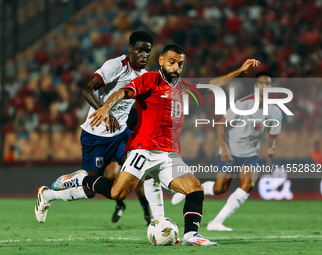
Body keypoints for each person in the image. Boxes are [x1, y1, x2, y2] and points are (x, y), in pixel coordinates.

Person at [80, 44, 260, 245]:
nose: (176, 67)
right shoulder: (149, 80)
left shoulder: (184, 87)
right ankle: (84, 180)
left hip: (169, 155)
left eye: (180, 63)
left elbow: (212, 86)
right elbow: (123, 92)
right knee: (117, 192)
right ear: (162, 61)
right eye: (172, 62)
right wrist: (106, 107)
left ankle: (191, 235)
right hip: (144, 150)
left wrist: (240, 72)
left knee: (195, 189)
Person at [35, 31, 164, 225]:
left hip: (121, 135)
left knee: (142, 169)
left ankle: (158, 221)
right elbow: (86, 88)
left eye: (147, 51)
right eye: (139, 50)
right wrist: (104, 112)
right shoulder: (116, 66)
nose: (144, 55)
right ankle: (49, 195)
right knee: (89, 192)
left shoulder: (144, 76)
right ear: (130, 49)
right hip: (95, 136)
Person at [171, 71, 282, 232]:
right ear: (256, 86)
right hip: (229, 150)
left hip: (250, 154)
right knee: (220, 188)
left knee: (248, 185)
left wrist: (271, 148)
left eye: (268, 84)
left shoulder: (275, 111)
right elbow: (221, 125)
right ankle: (191, 189)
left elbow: (273, 135)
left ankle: (216, 222)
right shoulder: (242, 104)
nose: (265, 87)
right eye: (262, 83)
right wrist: (224, 148)